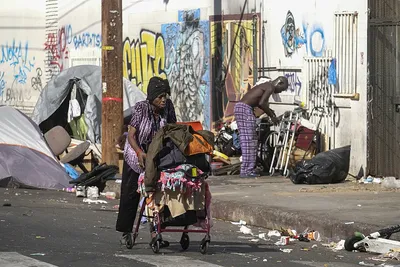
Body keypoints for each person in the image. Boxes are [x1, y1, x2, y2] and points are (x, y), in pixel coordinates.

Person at [116, 76, 177, 248]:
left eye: (165, 95)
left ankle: (155, 231)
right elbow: (132, 134)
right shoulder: (141, 108)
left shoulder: (168, 108)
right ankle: (126, 231)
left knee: (157, 193)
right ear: (152, 96)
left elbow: (173, 129)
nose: (163, 99)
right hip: (136, 153)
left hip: (157, 154)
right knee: (131, 192)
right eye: (160, 96)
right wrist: (139, 152)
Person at [234, 76, 289, 178]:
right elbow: (262, 103)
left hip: (241, 108)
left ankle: (246, 169)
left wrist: (270, 112)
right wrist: (272, 116)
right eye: (281, 89)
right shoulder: (270, 86)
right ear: (279, 83)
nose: (279, 92)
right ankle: (247, 170)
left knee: (247, 140)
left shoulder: (265, 85)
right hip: (245, 109)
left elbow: (259, 103)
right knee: (250, 141)